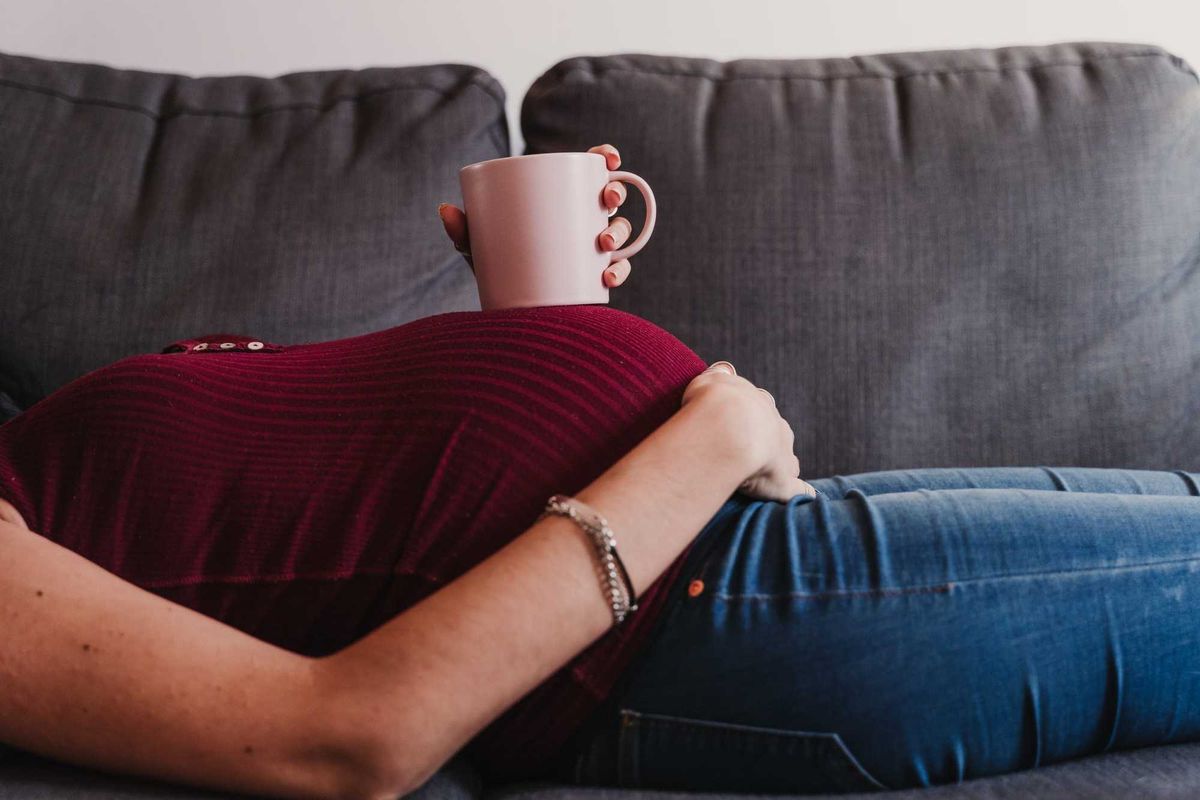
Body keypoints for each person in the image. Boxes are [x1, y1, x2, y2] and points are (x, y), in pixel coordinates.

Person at [0, 144, 1197, 800]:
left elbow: (342, 527)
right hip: (704, 621)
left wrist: (530, 325)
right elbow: (349, 737)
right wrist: (711, 440)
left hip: (740, 536)